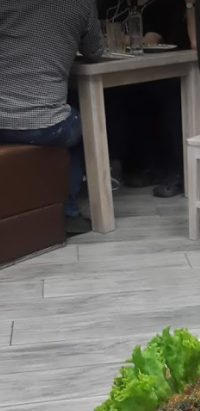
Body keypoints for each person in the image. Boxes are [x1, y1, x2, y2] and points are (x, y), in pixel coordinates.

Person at [0, 0, 104, 236]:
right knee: (82, 123)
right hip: (46, 125)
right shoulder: (82, 4)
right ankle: (68, 212)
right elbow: (95, 52)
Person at [100, 0, 196, 197]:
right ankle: (129, 167)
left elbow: (150, 41)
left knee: (171, 93)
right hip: (132, 71)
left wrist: (115, 37)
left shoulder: (163, 6)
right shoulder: (113, 5)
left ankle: (178, 173)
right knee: (117, 93)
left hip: (176, 70)